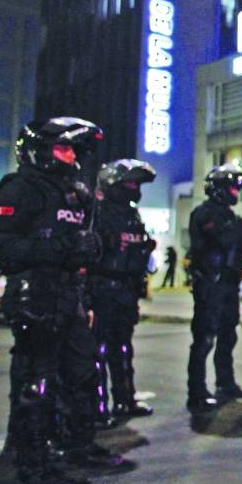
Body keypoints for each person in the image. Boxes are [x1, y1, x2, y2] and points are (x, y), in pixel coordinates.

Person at [0, 117, 128, 484]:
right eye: (63, 149)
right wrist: (60, 248)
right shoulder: (19, 188)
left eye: (73, 150)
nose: (71, 157)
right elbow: (5, 250)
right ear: (39, 150)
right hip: (34, 294)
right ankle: (33, 464)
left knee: (84, 372)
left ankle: (78, 444)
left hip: (70, 297)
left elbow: (83, 250)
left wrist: (84, 291)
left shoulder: (78, 194)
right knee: (37, 381)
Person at [89, 159, 158, 427]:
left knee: (124, 348)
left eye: (137, 183)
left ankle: (125, 399)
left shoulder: (132, 215)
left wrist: (144, 251)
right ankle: (97, 406)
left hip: (126, 291)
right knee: (99, 350)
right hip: (102, 289)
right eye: (129, 182)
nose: (134, 187)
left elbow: (135, 252)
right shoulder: (98, 212)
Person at [185, 164, 242, 412]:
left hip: (228, 284)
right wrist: (233, 237)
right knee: (204, 339)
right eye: (232, 188)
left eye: (237, 188)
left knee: (228, 335)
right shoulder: (203, 214)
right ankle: (196, 391)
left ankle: (225, 382)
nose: (235, 193)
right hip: (209, 284)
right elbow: (222, 240)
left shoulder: (233, 218)